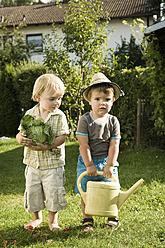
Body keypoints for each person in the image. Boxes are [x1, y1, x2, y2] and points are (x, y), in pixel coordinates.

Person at [16, 74, 69, 231]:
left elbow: (62, 137)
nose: (57, 102)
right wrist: (20, 139)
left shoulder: (59, 116)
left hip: (52, 164)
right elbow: (20, 132)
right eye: (52, 99)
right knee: (33, 191)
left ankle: (53, 221)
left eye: (59, 98)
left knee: (54, 192)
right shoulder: (30, 115)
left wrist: (46, 146)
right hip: (33, 164)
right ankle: (37, 218)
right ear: (38, 97)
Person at [75, 72, 124, 231]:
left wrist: (110, 165)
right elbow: (84, 145)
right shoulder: (85, 120)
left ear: (113, 101)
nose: (102, 103)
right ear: (89, 101)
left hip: (106, 159)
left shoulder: (113, 121)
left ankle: (112, 217)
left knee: (111, 188)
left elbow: (114, 145)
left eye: (107, 100)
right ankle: (87, 219)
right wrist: (89, 165)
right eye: (97, 99)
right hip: (87, 159)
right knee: (86, 189)